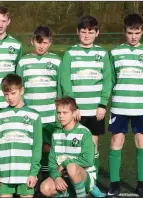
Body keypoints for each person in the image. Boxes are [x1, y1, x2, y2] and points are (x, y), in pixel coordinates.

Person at [106, 13, 143, 198]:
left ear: (142, 31)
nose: (133, 36)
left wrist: (139, 93)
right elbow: (111, 78)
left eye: (137, 32)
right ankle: (114, 184)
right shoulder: (114, 52)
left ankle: (142, 185)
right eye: (130, 32)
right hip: (119, 105)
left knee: (141, 142)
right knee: (115, 142)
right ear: (124, 32)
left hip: (142, 106)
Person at [60, 15, 112, 180]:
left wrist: (103, 104)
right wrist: (73, 107)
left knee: (93, 145)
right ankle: (73, 180)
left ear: (97, 33)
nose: (87, 35)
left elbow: (107, 80)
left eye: (91, 32)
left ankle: (92, 181)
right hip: (77, 111)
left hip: (95, 110)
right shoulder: (70, 53)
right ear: (78, 32)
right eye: (83, 32)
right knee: (73, 145)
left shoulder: (102, 54)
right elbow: (66, 81)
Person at [16, 25, 61, 184]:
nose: (42, 46)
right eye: (39, 42)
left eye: (46, 42)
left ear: (50, 43)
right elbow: (19, 88)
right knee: (30, 146)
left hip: (49, 114)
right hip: (30, 115)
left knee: (47, 146)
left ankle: (46, 178)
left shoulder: (56, 60)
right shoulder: (23, 61)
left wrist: (59, 110)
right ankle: (30, 177)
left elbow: (59, 87)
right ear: (32, 41)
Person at [0, 73, 42, 198]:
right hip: (4, 173)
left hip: (26, 173)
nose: (9, 98)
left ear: (22, 90)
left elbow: (37, 147)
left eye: (13, 93)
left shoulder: (34, 116)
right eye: (6, 94)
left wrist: (33, 173)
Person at [39, 96, 96, 198]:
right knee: (45, 188)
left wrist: (65, 163)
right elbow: (52, 163)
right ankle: (67, 195)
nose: (61, 116)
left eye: (65, 113)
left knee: (71, 167)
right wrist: (56, 178)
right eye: (58, 112)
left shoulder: (84, 133)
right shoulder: (56, 134)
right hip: (64, 177)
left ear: (74, 113)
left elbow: (88, 160)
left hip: (84, 178)